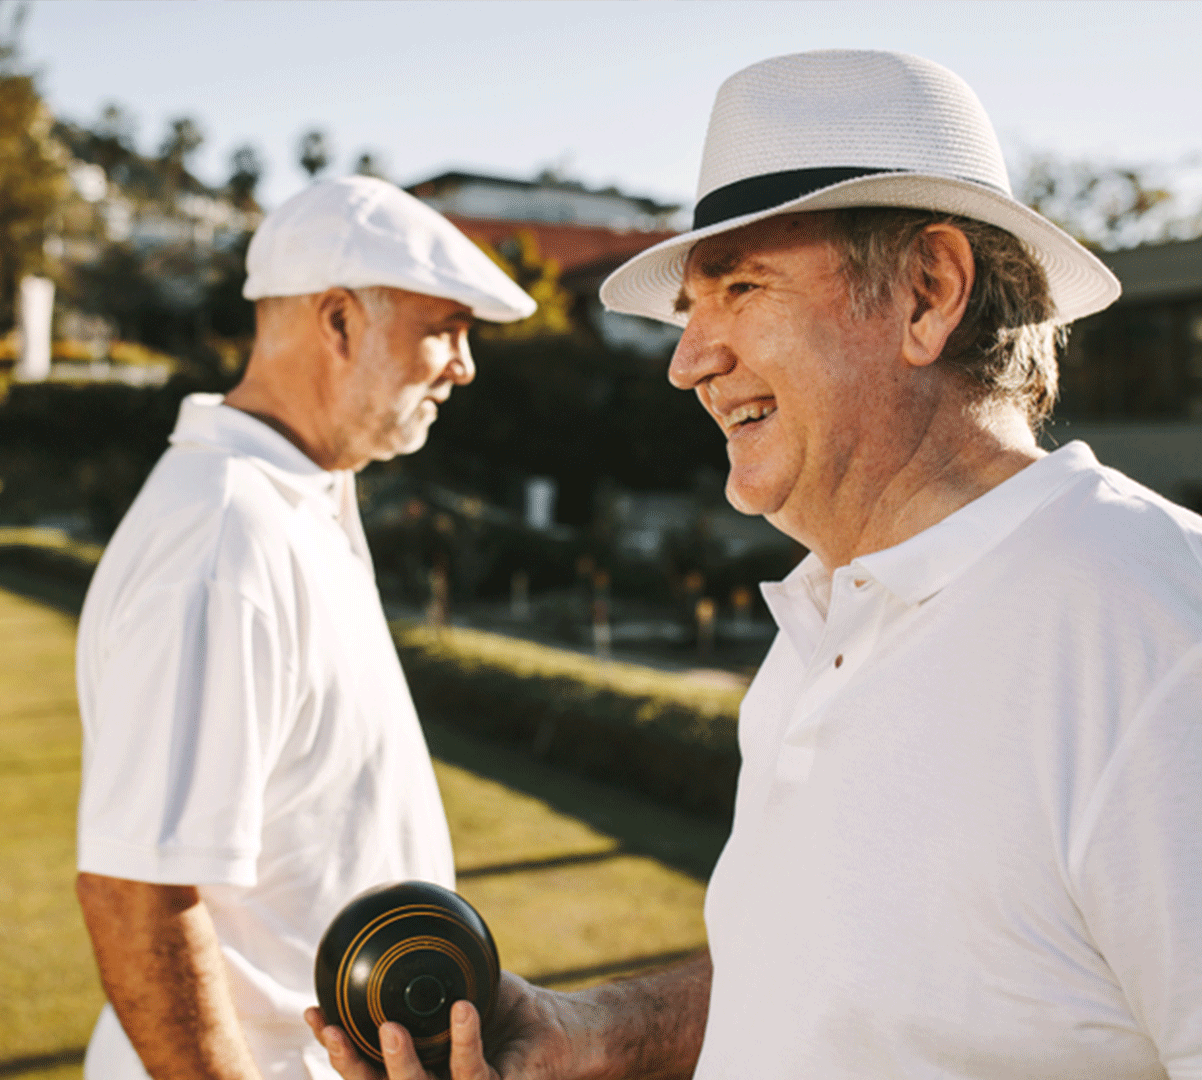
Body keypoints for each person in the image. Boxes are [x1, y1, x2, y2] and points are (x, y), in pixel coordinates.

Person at [311, 50, 1202, 1080]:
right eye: (693, 309)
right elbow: (831, 978)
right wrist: (591, 1034)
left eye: (741, 287)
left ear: (928, 292)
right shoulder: (824, 625)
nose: (687, 359)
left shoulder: (1154, 637)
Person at [73, 175, 536, 1080]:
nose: (464, 364)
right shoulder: (221, 540)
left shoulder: (297, 498)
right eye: (444, 327)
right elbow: (136, 892)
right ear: (339, 323)